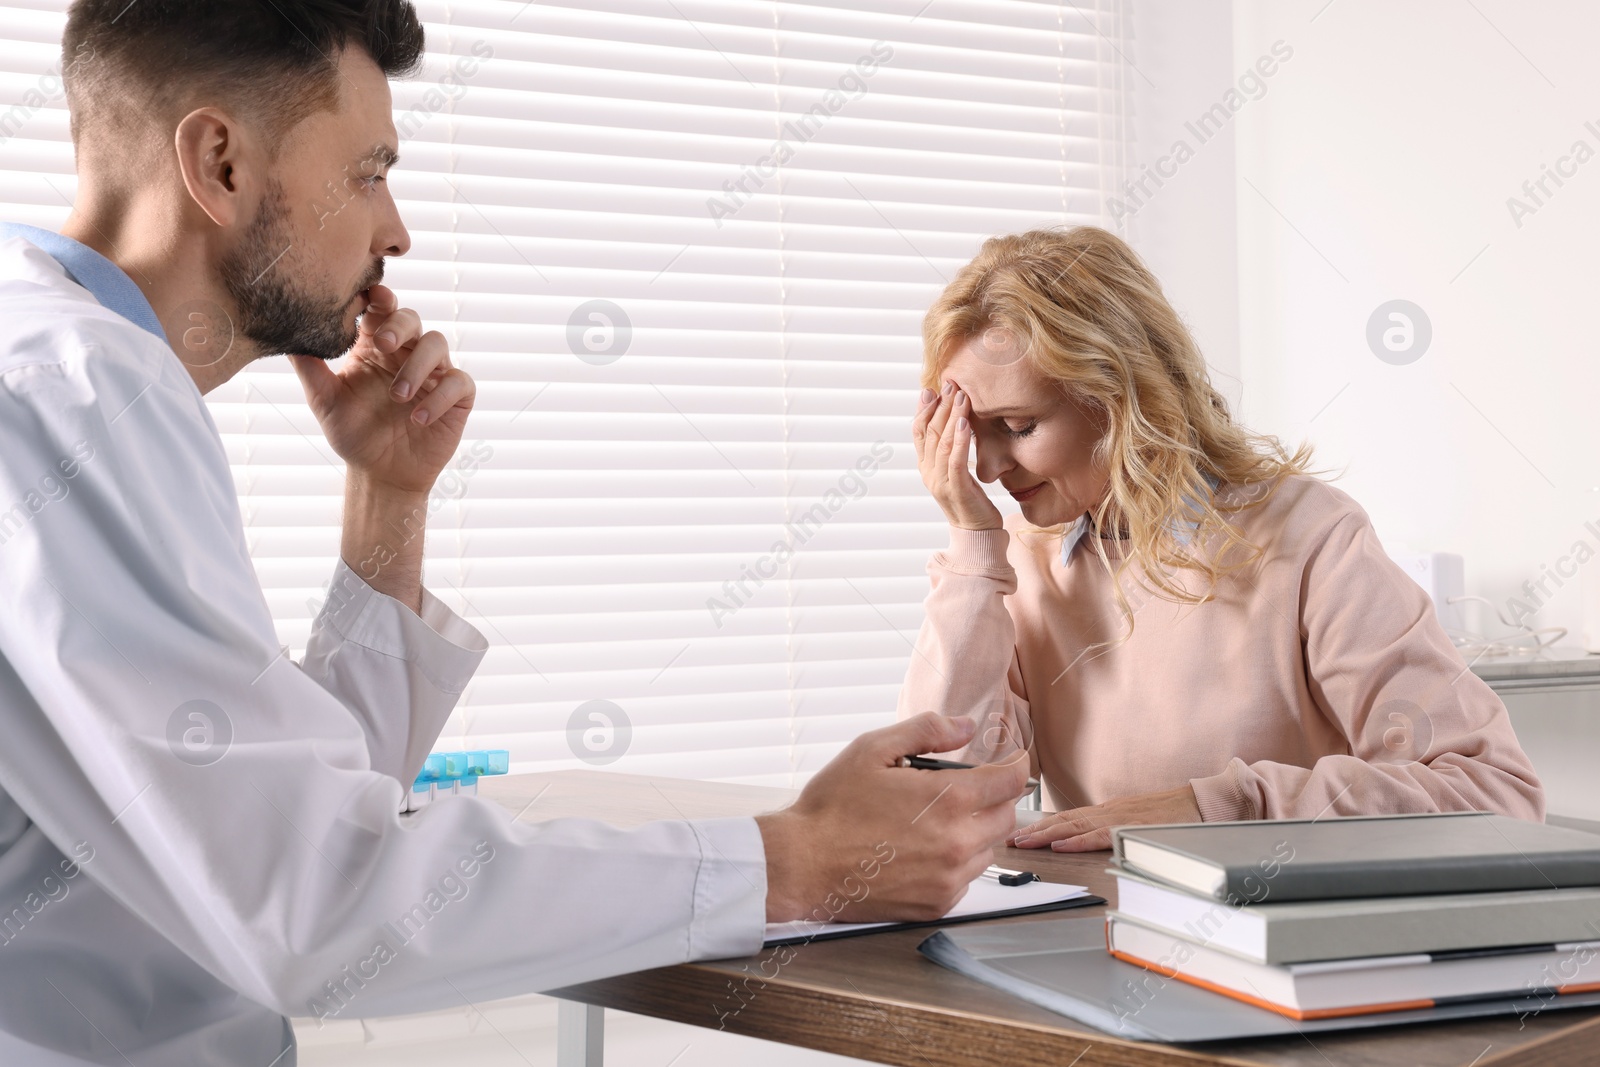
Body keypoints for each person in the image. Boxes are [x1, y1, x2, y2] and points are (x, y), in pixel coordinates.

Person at [0, 3, 1026, 1063]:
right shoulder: (70, 394)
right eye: (367, 171)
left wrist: (388, 497)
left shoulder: (72, 375)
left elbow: (292, 810)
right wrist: (792, 858)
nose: (394, 230)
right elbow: (312, 903)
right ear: (219, 162)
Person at [899, 227, 1543, 852]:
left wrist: (1220, 807)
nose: (984, 468)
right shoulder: (1013, 561)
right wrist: (972, 548)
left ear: (1123, 396)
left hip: (1277, 941)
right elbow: (943, 797)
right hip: (1097, 929)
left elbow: (1492, 795)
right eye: (966, 430)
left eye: (1016, 426)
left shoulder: (1309, 538)